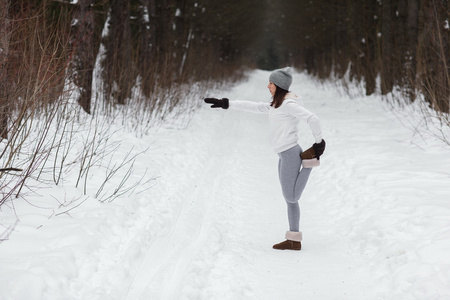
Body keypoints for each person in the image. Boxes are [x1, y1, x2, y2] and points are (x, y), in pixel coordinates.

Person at [204, 67, 326, 251]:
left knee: (291, 196)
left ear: (278, 86)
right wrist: (227, 103)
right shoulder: (277, 104)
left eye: (271, 83)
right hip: (284, 154)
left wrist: (319, 143)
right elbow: (254, 106)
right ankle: (294, 239)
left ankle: (309, 162)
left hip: (291, 153)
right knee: (290, 200)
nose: (267, 85)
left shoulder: (289, 104)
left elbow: (313, 118)